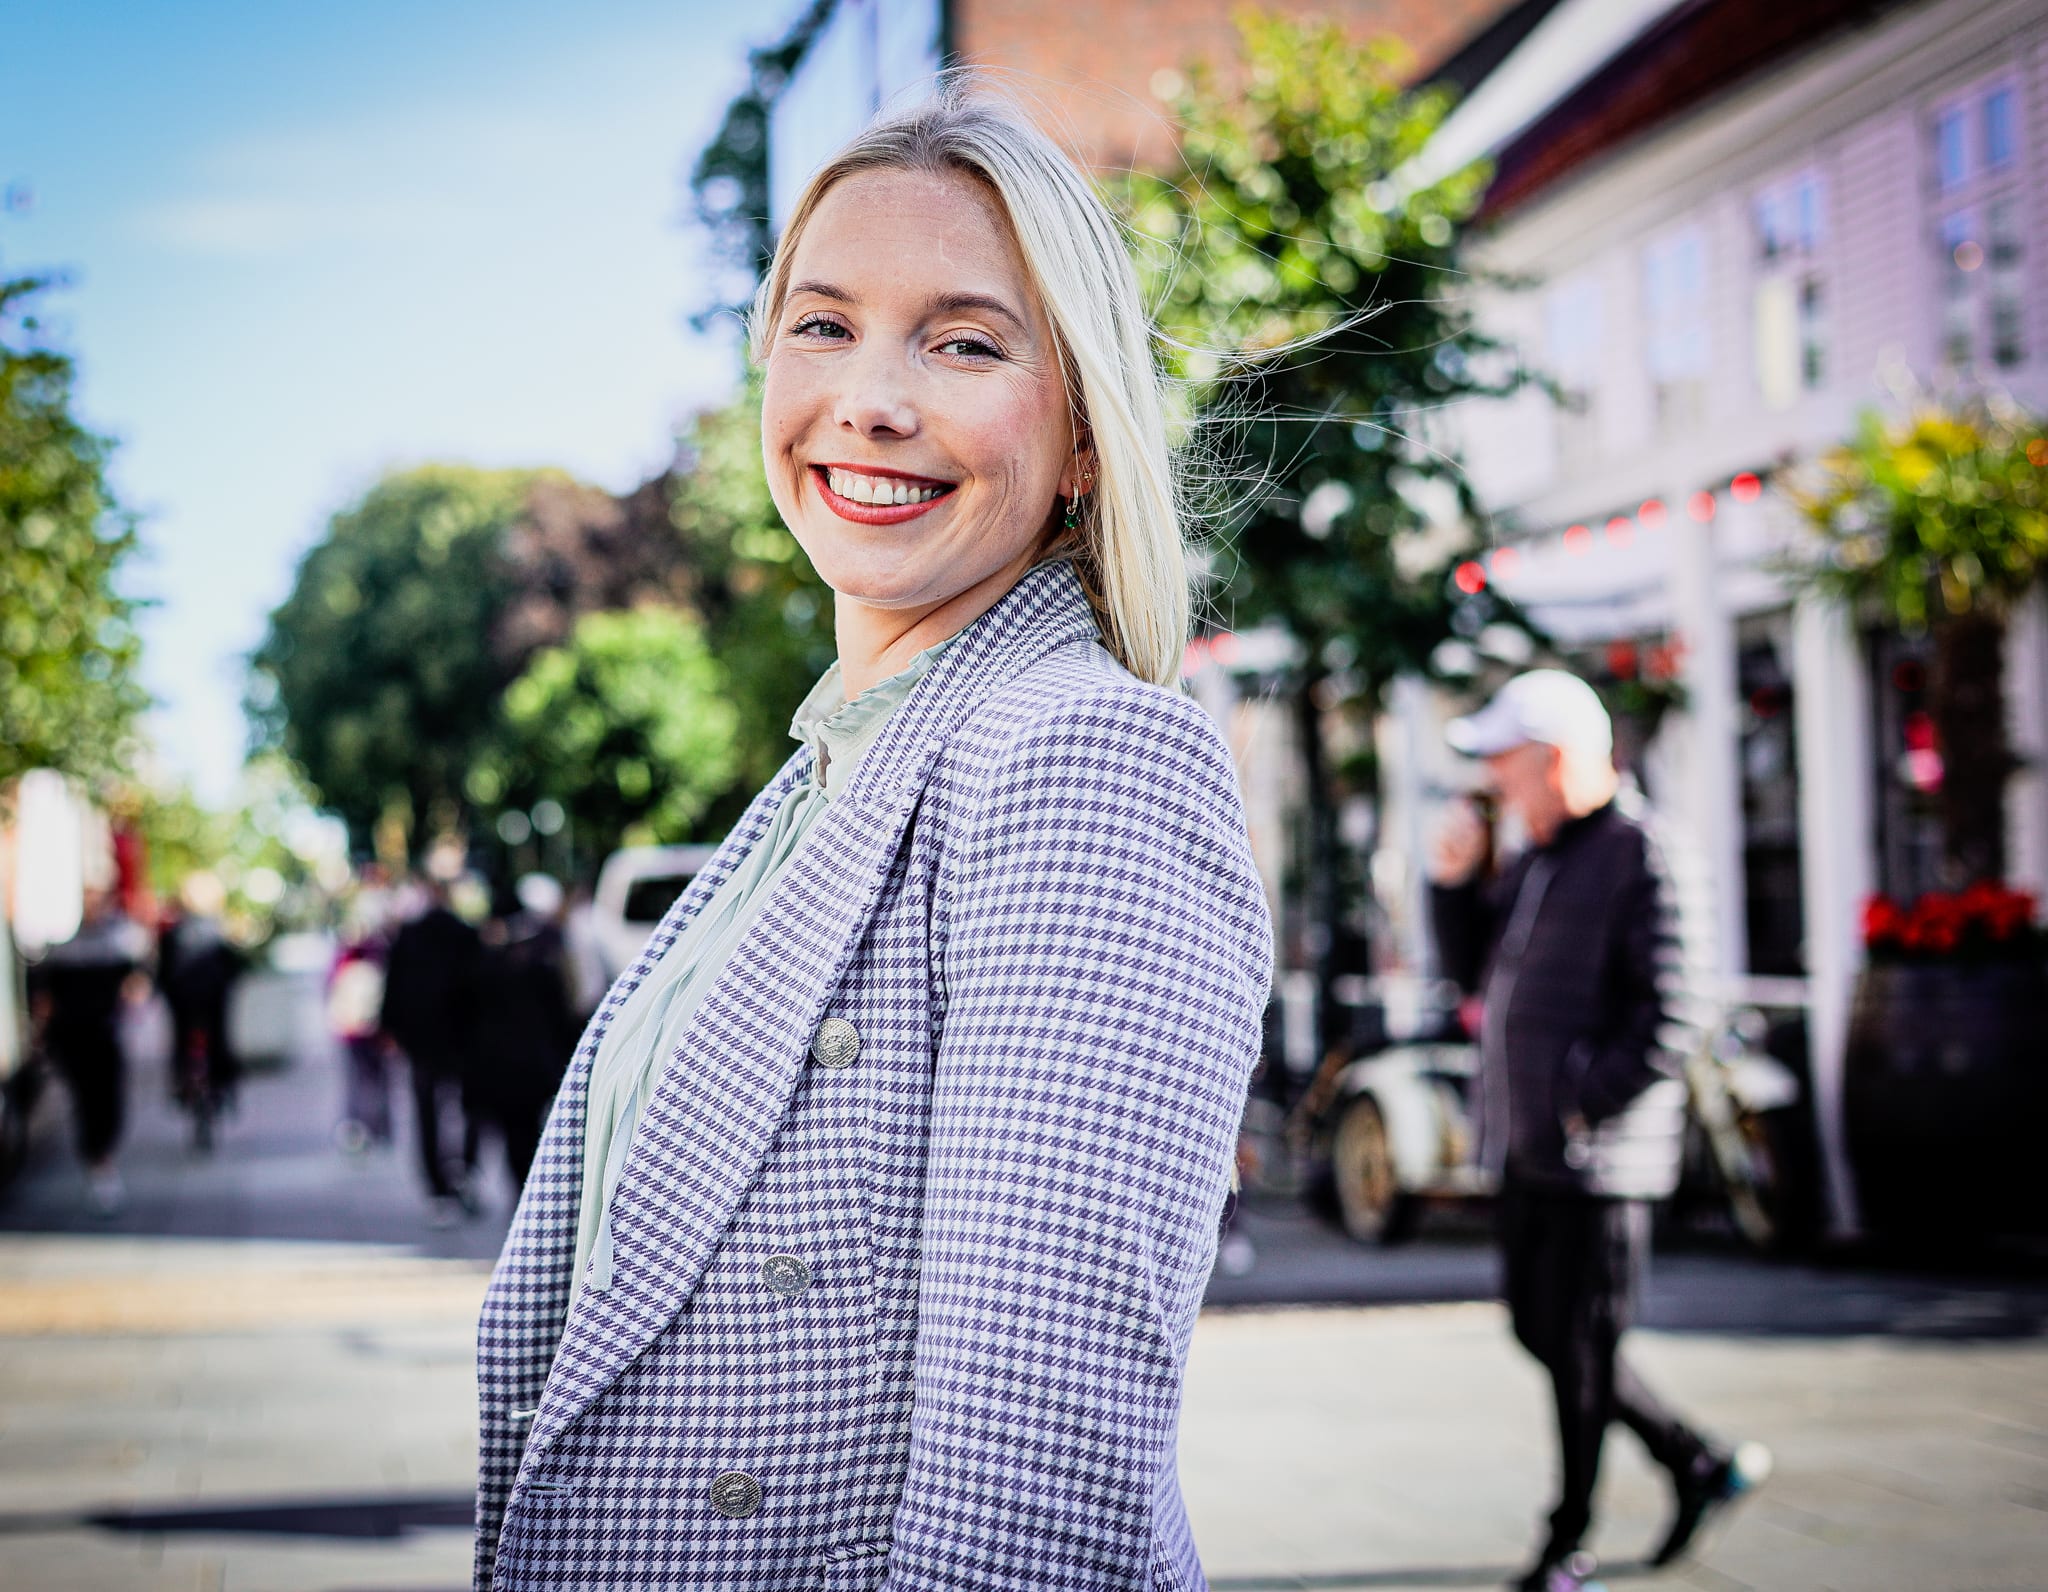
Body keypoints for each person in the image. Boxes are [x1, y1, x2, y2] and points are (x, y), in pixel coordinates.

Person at [473, 88, 1272, 1591]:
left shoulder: (1081, 757)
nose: (869, 399)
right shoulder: (829, 776)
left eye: (963, 343)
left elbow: (1039, 1486)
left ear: (1082, 436)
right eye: (823, 325)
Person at [1428, 670, 1771, 1591]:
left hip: (1600, 1162)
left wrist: (1583, 1100)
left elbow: (1676, 1012)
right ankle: (1695, 1459)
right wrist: (1452, 885)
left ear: (1556, 760)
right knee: (1543, 1333)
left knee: (1581, 1351)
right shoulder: (1537, 859)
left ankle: (1568, 1544)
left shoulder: (1646, 852)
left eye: (1506, 761)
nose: (1495, 781)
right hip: (1531, 1151)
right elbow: (1474, 975)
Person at [29, 889, 150, 1214]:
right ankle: (98, 1163)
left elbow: (136, 983)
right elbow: (44, 998)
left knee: (108, 1101)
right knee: (86, 1101)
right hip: (73, 1039)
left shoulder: (115, 946)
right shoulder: (63, 953)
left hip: (105, 1037)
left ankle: (101, 1160)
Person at [380, 873, 482, 1222]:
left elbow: (393, 987)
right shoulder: (464, 933)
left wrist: (392, 1029)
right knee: (468, 1106)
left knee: (426, 1110)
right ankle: (463, 1171)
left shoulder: (410, 935)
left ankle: (438, 1184)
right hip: (460, 1038)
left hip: (421, 1039)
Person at [468, 873, 579, 1192]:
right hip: (531, 1067)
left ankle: (522, 1191)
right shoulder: (540, 965)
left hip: (505, 1069)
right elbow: (562, 1018)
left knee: (516, 1136)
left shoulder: (484, 967)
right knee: (527, 1134)